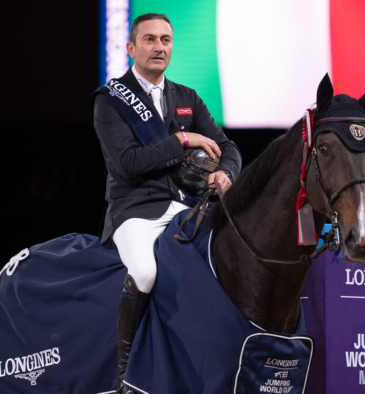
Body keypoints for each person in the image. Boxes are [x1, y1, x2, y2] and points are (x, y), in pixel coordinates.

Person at [91, 13, 241, 393]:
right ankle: (124, 376)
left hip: (185, 206)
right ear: (131, 48)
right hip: (134, 209)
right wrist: (182, 141)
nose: (159, 47)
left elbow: (228, 148)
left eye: (166, 40)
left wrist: (226, 174)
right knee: (144, 272)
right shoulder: (110, 101)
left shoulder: (187, 97)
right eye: (150, 40)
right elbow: (127, 164)